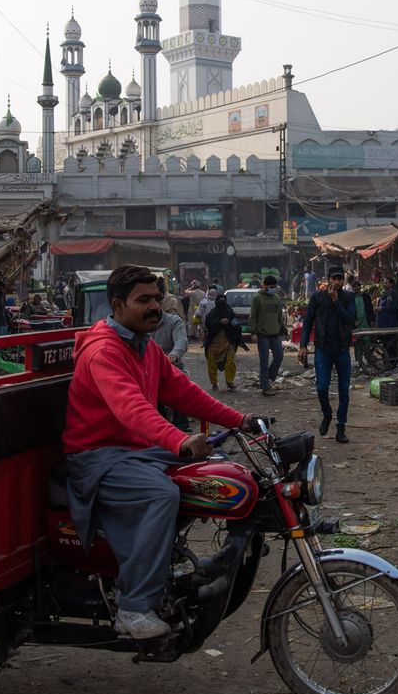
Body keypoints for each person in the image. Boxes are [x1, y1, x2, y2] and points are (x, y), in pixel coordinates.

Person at [62, 265, 266, 639]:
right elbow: (131, 408)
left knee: (215, 474)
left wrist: (240, 419)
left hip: (134, 451)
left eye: (157, 297)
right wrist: (179, 440)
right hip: (99, 457)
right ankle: (135, 605)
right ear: (118, 305)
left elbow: (184, 393)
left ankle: (164, 564)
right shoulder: (104, 351)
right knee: (161, 493)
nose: (155, 306)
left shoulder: (144, 347)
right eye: (144, 300)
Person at [300, 265, 357, 442]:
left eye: (340, 279)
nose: (337, 282)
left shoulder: (348, 297)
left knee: (343, 392)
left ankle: (341, 427)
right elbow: (308, 321)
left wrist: (336, 301)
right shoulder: (317, 297)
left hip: (342, 349)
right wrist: (303, 345)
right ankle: (327, 414)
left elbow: (350, 320)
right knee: (322, 387)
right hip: (323, 349)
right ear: (328, 279)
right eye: (334, 278)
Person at [150, 293, 192, 431]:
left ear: (161, 303)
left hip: (171, 365)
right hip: (148, 368)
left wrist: (172, 356)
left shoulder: (174, 321)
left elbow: (181, 341)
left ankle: (181, 424)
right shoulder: (137, 323)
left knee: (181, 384)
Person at [203, 292, 248, 391]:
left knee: (230, 362)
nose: (222, 302)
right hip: (214, 341)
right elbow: (208, 324)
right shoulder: (212, 313)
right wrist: (219, 322)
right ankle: (214, 383)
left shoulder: (230, 312)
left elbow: (236, 325)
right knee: (212, 363)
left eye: (223, 300)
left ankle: (230, 382)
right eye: (220, 300)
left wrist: (233, 325)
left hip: (228, 341)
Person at [250, 275, 287, 394]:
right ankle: (265, 387)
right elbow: (253, 316)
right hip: (262, 334)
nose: (273, 289)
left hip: (275, 333)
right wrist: (253, 332)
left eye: (274, 287)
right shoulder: (257, 298)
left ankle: (269, 377)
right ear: (264, 286)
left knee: (279, 356)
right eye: (270, 287)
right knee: (264, 361)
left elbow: (279, 316)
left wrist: (283, 329)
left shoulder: (276, 298)